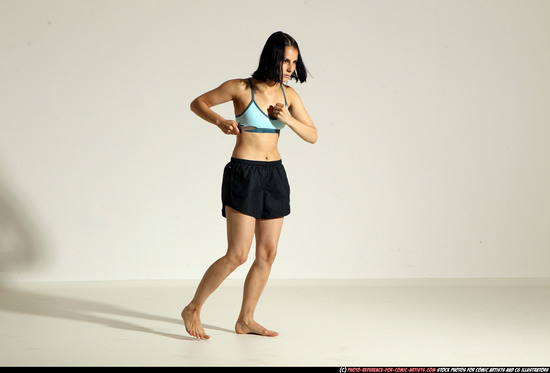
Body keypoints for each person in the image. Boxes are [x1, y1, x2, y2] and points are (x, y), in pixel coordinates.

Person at [182, 31, 317, 339]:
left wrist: (288, 119)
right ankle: (193, 307)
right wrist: (220, 122)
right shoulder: (240, 87)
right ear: (271, 57)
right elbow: (197, 103)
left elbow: (312, 135)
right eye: (285, 61)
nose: (290, 68)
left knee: (267, 255)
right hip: (244, 173)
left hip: (275, 175)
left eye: (294, 63)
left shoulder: (290, 96)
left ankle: (246, 319)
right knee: (237, 255)